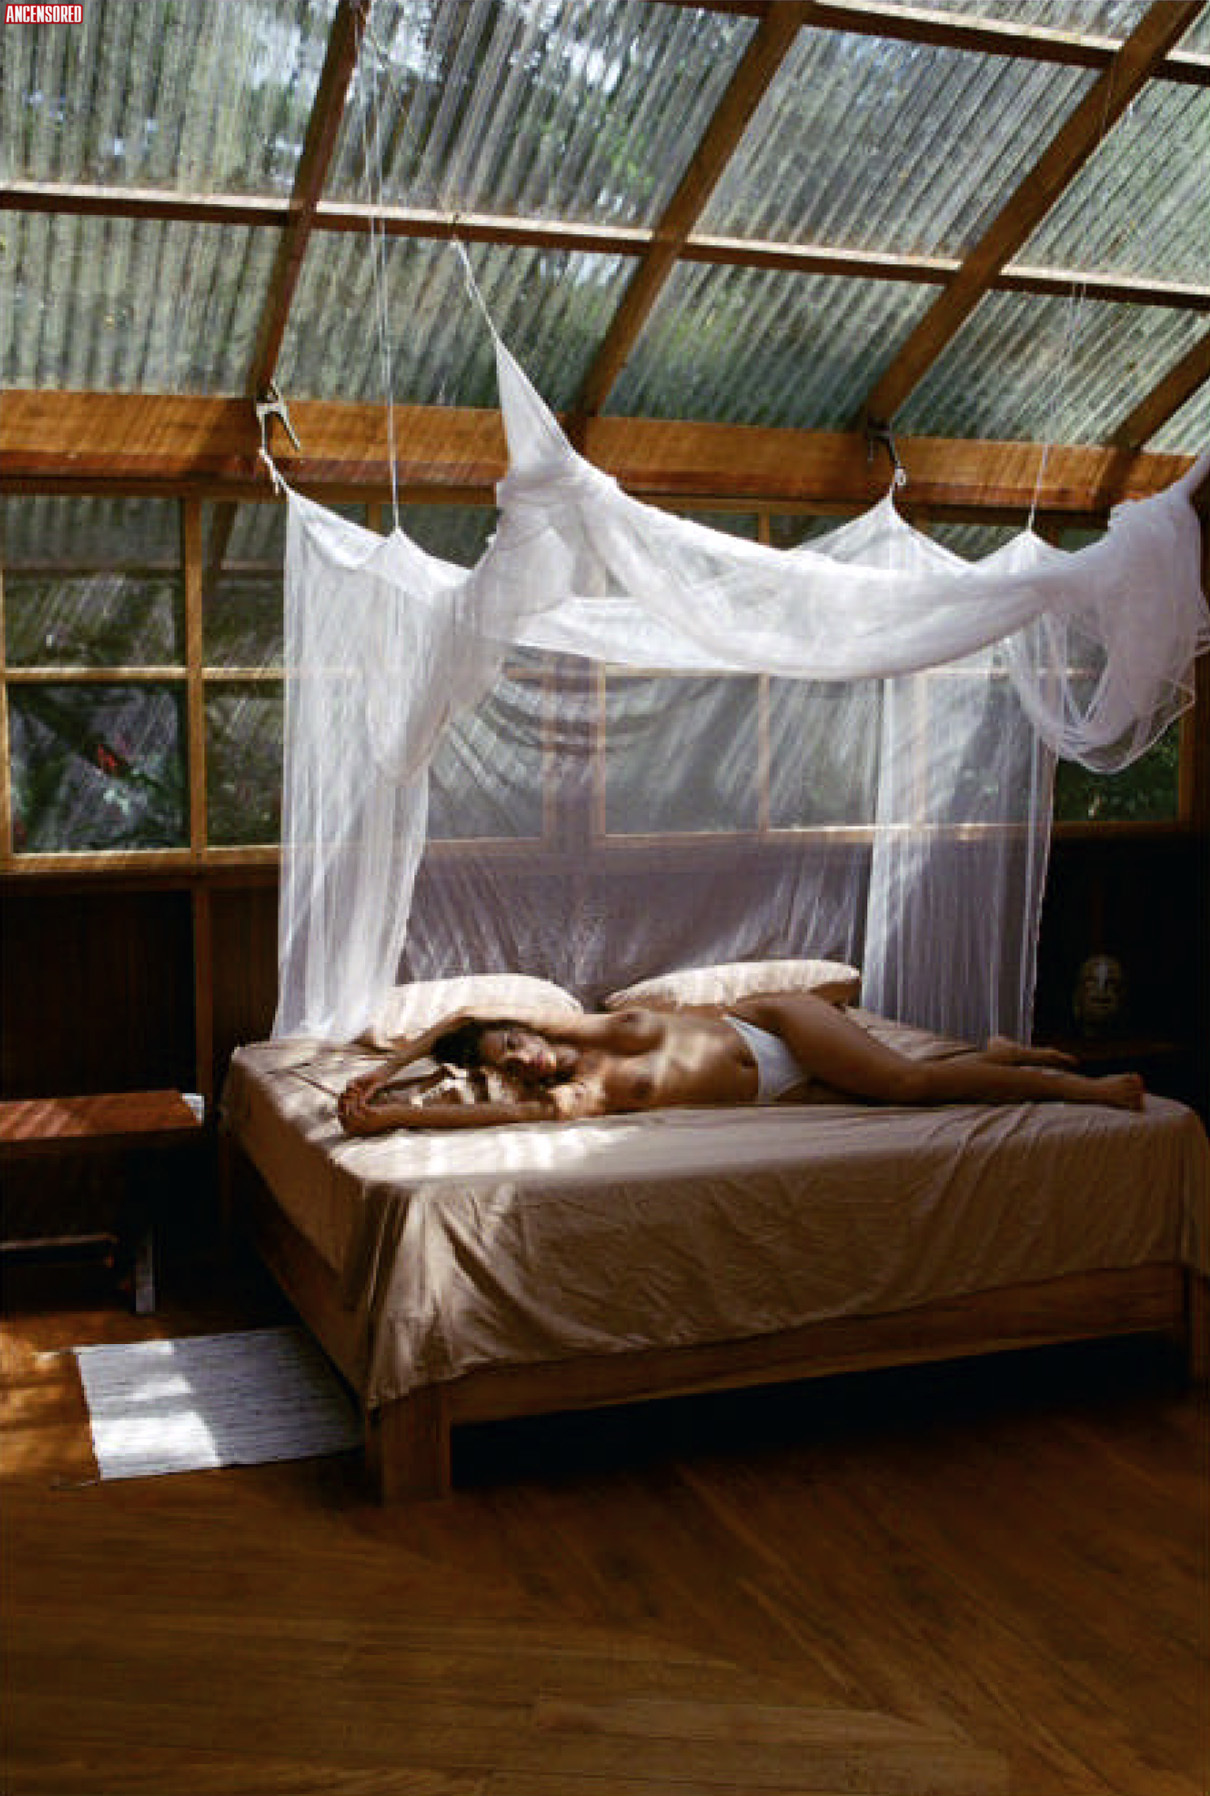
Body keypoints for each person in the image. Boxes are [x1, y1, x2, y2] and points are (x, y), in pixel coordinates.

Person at [336, 991, 1144, 1135]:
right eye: (513, 1066)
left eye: (515, 1044)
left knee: (907, 1082)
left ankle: (1088, 1092)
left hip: (773, 1031)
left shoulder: (590, 1027)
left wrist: (385, 1070)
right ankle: (995, 1057)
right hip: (776, 1098)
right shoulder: (579, 1098)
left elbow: (465, 1018)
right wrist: (394, 1114)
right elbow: (495, 1117)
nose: (526, 1059)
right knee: (918, 1093)